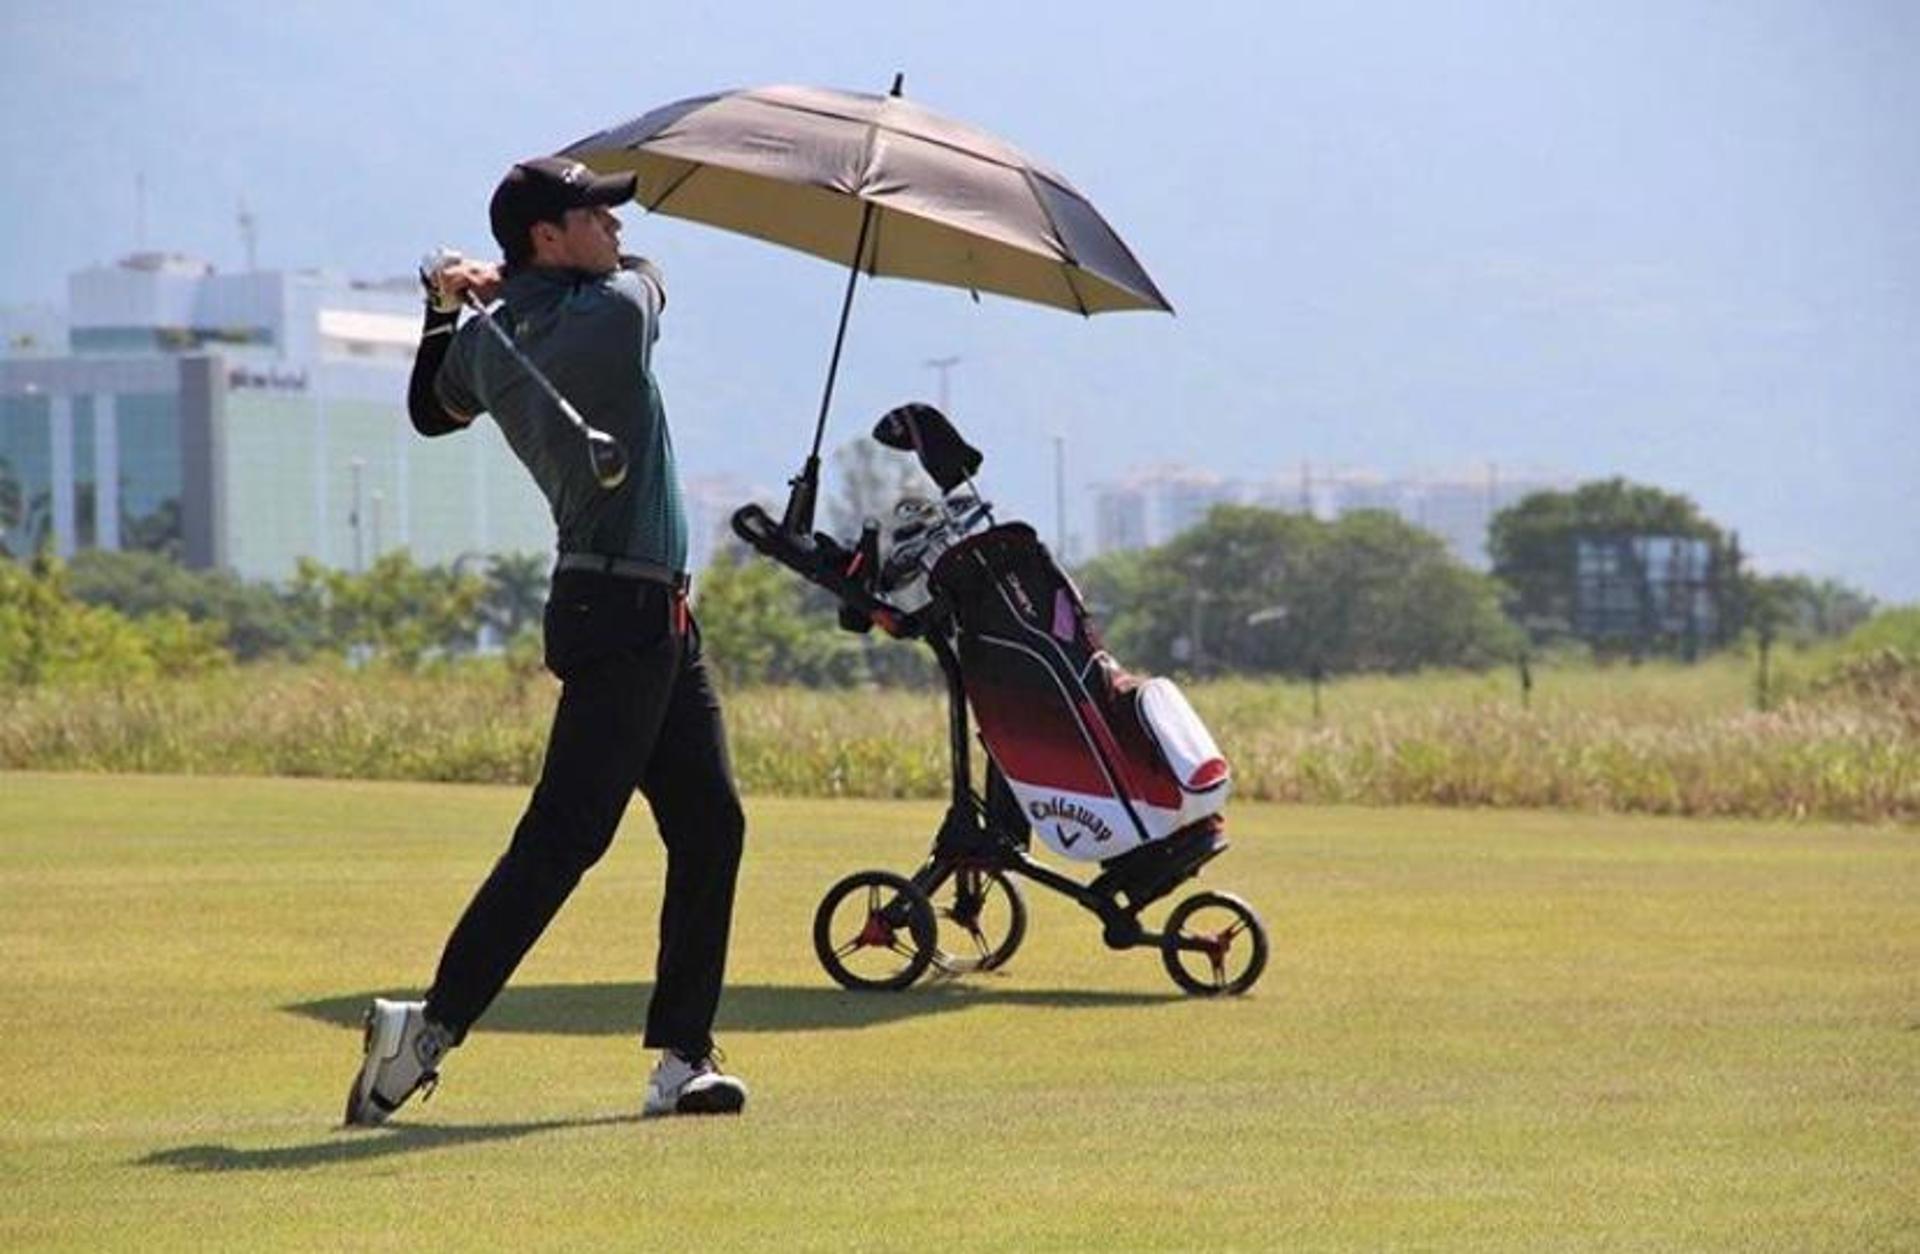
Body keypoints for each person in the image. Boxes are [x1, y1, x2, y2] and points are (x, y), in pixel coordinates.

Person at [344, 156, 748, 1124]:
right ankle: (426, 1034)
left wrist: (450, 305)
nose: (613, 225)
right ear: (547, 237)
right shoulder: (609, 316)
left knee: (711, 824)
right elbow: (653, 279)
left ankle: (681, 1060)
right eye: (593, 213)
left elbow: (428, 409)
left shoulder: (497, 343)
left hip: (649, 618)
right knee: (566, 838)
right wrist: (498, 292)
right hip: (620, 617)